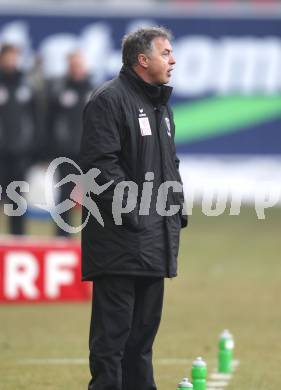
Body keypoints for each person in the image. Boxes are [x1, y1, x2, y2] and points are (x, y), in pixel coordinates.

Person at [79, 27, 187, 390]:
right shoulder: (108, 100)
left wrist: (174, 210)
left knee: (141, 343)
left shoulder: (160, 104)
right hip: (120, 241)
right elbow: (100, 168)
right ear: (143, 60)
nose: (172, 61)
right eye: (166, 53)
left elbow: (169, 166)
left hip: (155, 239)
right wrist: (137, 212)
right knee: (113, 341)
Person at [46, 50, 94, 236]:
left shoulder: (94, 90)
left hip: (89, 150)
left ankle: (91, 237)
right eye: (73, 65)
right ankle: (62, 235)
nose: (76, 69)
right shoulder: (59, 91)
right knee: (64, 193)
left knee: (91, 195)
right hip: (65, 150)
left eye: (79, 65)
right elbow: (50, 122)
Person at [0, 44, 38, 235]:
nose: (11, 61)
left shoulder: (26, 85)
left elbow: (34, 118)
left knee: (17, 199)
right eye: (8, 57)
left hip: (20, 153)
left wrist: (31, 148)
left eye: (14, 57)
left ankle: (17, 238)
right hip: (1, 153)